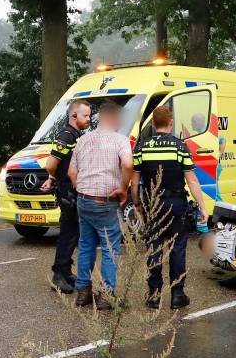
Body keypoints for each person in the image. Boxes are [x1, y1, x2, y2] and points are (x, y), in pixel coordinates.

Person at [131, 104, 209, 309]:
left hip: (152, 203)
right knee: (176, 248)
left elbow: (134, 180)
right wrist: (202, 206)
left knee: (154, 247)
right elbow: (191, 180)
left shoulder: (142, 147)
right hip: (176, 203)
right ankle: (177, 294)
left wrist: (137, 204)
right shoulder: (179, 146)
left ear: (154, 124)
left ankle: (154, 295)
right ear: (171, 122)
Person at [68, 100, 133, 310]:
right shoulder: (120, 140)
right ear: (113, 117)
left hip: (84, 201)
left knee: (86, 245)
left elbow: (71, 172)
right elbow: (128, 164)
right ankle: (106, 295)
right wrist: (123, 188)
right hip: (106, 202)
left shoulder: (83, 140)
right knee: (109, 248)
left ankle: (83, 292)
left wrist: (82, 189)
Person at [40, 100, 91, 293]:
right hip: (67, 191)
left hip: (74, 190)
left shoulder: (77, 135)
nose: (88, 119)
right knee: (67, 234)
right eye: (85, 116)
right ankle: (58, 275)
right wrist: (53, 177)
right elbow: (51, 163)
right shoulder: (67, 135)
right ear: (74, 116)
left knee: (73, 234)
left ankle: (66, 271)